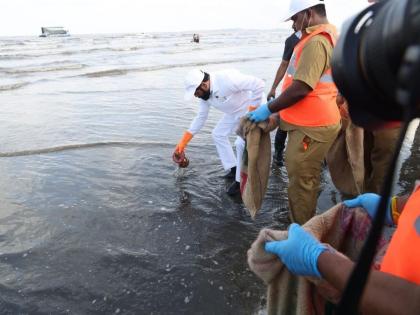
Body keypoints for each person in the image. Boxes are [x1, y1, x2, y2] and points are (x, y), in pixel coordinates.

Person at [248, 0, 341, 224]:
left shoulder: (316, 42)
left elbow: (302, 88)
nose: (292, 25)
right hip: (309, 120)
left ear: (308, 14)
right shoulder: (326, 35)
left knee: (301, 180)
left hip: (313, 126)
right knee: (302, 176)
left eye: (294, 19)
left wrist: (268, 108)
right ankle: (300, 218)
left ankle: (302, 232)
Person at [174, 69, 265, 196]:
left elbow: (258, 84)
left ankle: (240, 182)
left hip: (253, 109)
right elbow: (200, 118)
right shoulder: (205, 96)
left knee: (240, 143)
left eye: (196, 92)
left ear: (204, 85)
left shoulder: (227, 79)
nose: (196, 96)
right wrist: (182, 143)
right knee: (218, 134)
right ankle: (234, 168)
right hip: (234, 112)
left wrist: (253, 111)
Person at [336, 94, 401, 194]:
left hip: (392, 109)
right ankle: (358, 194)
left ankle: (374, 197)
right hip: (362, 103)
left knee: (384, 159)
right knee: (359, 156)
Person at [268, 29, 302, 166]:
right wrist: (273, 87)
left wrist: (273, 88)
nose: (293, 24)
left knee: (287, 121)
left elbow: (283, 65)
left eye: (294, 20)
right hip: (292, 89)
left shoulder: (317, 37)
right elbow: (284, 65)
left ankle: (279, 155)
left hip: (300, 90)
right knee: (284, 121)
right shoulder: (292, 40)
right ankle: (278, 154)